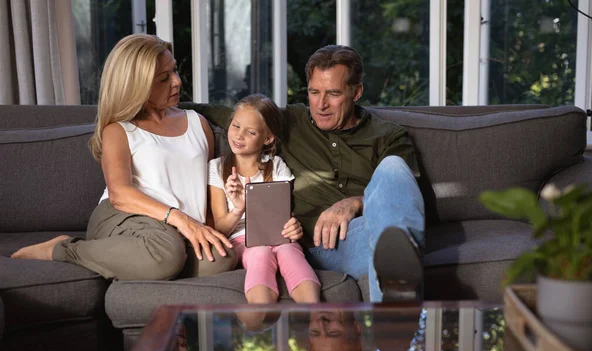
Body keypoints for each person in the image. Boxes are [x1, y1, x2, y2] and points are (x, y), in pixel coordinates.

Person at [197, 45, 425, 302]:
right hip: (324, 246)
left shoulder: (388, 135)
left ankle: (396, 304)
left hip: (374, 228)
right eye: (314, 92)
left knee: (394, 169)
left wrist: (355, 202)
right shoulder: (290, 121)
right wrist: (158, 106)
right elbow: (232, 115)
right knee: (391, 247)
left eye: (334, 93)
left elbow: (406, 195)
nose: (321, 104)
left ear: (356, 92)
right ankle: (400, 302)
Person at [11, 33, 237, 279]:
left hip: (176, 230)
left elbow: (209, 189)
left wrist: (207, 228)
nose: (176, 82)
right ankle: (65, 249)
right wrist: (181, 219)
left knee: (221, 258)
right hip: (126, 216)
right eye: (163, 78)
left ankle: (153, 260)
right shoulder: (119, 130)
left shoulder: (198, 123)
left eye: (174, 71)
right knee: (166, 254)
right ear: (137, 85)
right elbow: (120, 194)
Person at [209, 94, 321, 307]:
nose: (239, 136)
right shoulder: (217, 168)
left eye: (250, 132)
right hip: (243, 240)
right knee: (260, 251)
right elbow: (220, 229)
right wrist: (239, 208)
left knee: (289, 249)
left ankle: (315, 313)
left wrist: (293, 227)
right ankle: (261, 317)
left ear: (267, 138)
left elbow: (285, 214)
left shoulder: (276, 166)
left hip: (277, 236)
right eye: (236, 126)